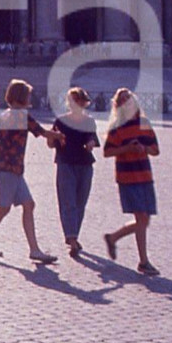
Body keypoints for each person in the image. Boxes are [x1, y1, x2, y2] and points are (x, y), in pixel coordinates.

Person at [0, 79, 63, 263]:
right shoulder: (23, 116)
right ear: (22, 97)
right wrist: (59, 135)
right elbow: (42, 132)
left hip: (5, 168)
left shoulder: (4, 115)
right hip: (10, 170)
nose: (30, 98)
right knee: (4, 208)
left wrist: (5, 149)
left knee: (28, 204)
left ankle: (34, 250)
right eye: (28, 95)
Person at [102, 88, 160, 275]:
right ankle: (143, 262)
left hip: (145, 176)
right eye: (123, 101)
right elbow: (107, 152)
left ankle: (113, 237)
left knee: (144, 220)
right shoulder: (116, 128)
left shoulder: (144, 124)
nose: (127, 103)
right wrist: (127, 148)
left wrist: (143, 148)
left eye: (129, 99)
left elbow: (155, 150)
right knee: (141, 218)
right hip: (127, 177)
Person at [51, 87, 100, 257]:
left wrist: (91, 143)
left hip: (85, 164)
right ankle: (71, 239)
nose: (74, 104)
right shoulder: (61, 121)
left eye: (77, 100)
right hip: (65, 163)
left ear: (83, 102)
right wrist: (53, 137)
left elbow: (92, 138)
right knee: (68, 202)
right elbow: (51, 142)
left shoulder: (89, 121)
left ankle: (73, 235)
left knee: (80, 203)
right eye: (71, 100)